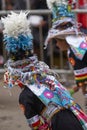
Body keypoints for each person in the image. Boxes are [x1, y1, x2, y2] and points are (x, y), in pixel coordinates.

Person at [2, 11, 87, 130]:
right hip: (76, 117)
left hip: (61, 124)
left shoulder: (25, 97)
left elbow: (37, 127)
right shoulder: (47, 78)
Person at [44, 0, 87, 96]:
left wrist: (83, 91)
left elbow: (83, 81)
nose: (57, 45)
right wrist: (75, 88)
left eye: (57, 41)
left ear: (65, 40)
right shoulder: (79, 42)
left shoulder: (75, 51)